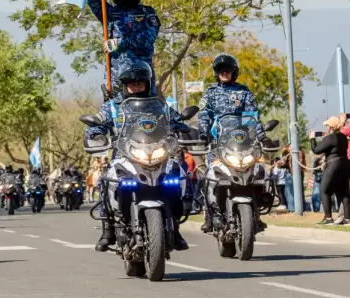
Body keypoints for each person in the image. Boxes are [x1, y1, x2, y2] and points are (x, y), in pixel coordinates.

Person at [87, 60, 189, 252]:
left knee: (178, 174)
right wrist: (96, 134)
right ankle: (107, 230)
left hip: (157, 154)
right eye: (131, 84)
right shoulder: (114, 107)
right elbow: (98, 122)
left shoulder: (160, 106)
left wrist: (185, 130)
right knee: (106, 180)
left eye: (140, 83)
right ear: (125, 86)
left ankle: (175, 228)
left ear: (147, 84)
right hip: (125, 156)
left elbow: (176, 121)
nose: (136, 86)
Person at [198, 53, 261, 233]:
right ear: (216, 73)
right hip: (218, 144)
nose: (224, 74)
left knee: (257, 174)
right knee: (210, 176)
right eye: (221, 71)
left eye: (228, 71)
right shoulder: (210, 93)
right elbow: (203, 115)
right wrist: (203, 133)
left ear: (234, 72)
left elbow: (253, 116)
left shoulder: (244, 92)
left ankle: (256, 214)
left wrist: (261, 135)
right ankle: (210, 216)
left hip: (242, 144)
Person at [89, 0, 160, 99]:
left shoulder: (148, 13)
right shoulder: (108, 12)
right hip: (117, 80)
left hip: (143, 80)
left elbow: (147, 40)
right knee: (112, 116)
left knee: (150, 115)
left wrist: (119, 43)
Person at [313, 117, 350, 225]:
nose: (326, 127)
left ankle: (328, 218)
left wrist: (312, 139)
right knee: (344, 192)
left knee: (324, 190)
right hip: (345, 164)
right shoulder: (343, 137)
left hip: (334, 165)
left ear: (330, 127)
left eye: (327, 126)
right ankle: (347, 219)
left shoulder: (331, 137)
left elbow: (316, 150)